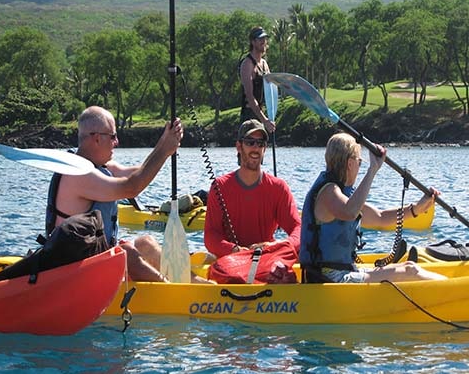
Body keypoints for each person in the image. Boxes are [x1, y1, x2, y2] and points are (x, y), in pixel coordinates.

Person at [46, 105, 210, 283]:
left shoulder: (102, 166)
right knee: (126, 253)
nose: (117, 142)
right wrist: (163, 151)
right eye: (113, 136)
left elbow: (138, 173)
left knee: (145, 243)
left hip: (95, 260)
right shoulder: (77, 174)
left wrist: (165, 143)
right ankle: (175, 294)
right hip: (72, 271)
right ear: (96, 138)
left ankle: (196, 284)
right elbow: (131, 187)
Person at [300, 132, 446, 283]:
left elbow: (380, 218)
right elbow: (349, 212)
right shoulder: (329, 193)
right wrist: (372, 170)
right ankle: (456, 291)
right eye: (360, 162)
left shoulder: (343, 196)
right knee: (410, 271)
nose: (360, 166)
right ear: (350, 163)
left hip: (343, 272)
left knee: (408, 266)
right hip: (329, 278)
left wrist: (416, 209)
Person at [204, 119, 300, 258]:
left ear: (265, 148)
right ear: (238, 146)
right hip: (231, 263)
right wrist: (235, 250)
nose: (255, 148)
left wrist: (276, 246)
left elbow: (298, 229)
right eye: (250, 142)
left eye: (260, 143)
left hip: (267, 260)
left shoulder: (279, 188)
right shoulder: (220, 187)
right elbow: (211, 236)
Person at [239, 26, 275, 134]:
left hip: (261, 113)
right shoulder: (247, 64)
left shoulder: (264, 64)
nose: (264, 42)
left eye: (265, 39)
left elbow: (271, 91)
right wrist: (264, 120)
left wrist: (270, 117)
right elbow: (250, 97)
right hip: (250, 115)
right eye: (260, 39)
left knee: (260, 149)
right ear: (253, 42)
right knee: (248, 148)